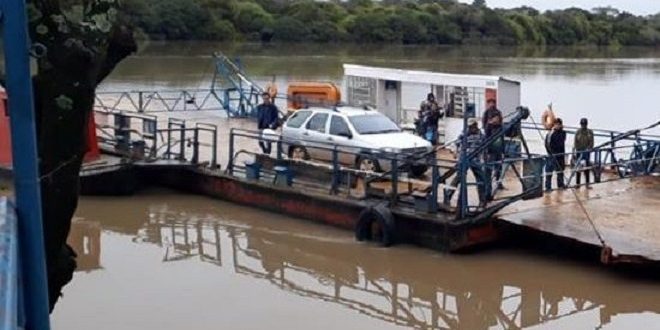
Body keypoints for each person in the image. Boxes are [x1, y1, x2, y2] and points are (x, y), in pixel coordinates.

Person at [444, 118, 487, 207]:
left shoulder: (481, 135)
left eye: (472, 126)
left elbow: (485, 147)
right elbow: (456, 143)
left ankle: (482, 200)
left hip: (475, 160)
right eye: (469, 127)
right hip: (464, 159)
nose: (471, 128)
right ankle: (448, 195)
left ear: (476, 126)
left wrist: (485, 158)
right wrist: (455, 152)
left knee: (481, 179)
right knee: (458, 177)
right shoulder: (464, 134)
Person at [482, 98, 504, 191]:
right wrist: (490, 123)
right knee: (489, 168)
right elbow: (485, 128)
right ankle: (488, 186)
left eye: (493, 103)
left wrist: (503, 150)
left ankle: (498, 183)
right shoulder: (486, 114)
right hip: (490, 148)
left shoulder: (500, 125)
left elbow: (502, 135)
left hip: (498, 148)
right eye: (490, 103)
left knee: (499, 166)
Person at [545, 118, 567, 191]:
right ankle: (548, 187)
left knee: (560, 171)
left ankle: (560, 185)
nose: (557, 126)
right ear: (554, 125)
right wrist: (550, 152)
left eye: (558, 124)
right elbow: (546, 144)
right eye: (556, 124)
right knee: (549, 172)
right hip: (552, 155)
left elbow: (560, 143)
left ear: (561, 125)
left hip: (560, 155)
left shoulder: (563, 133)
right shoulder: (550, 133)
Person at [574, 117, 594, 188]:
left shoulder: (590, 132)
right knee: (578, 169)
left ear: (586, 124)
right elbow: (575, 142)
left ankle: (587, 184)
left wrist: (588, 149)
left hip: (586, 153)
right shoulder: (578, 132)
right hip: (579, 152)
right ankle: (577, 184)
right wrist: (577, 150)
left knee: (587, 168)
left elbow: (591, 143)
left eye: (584, 124)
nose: (583, 126)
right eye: (582, 124)